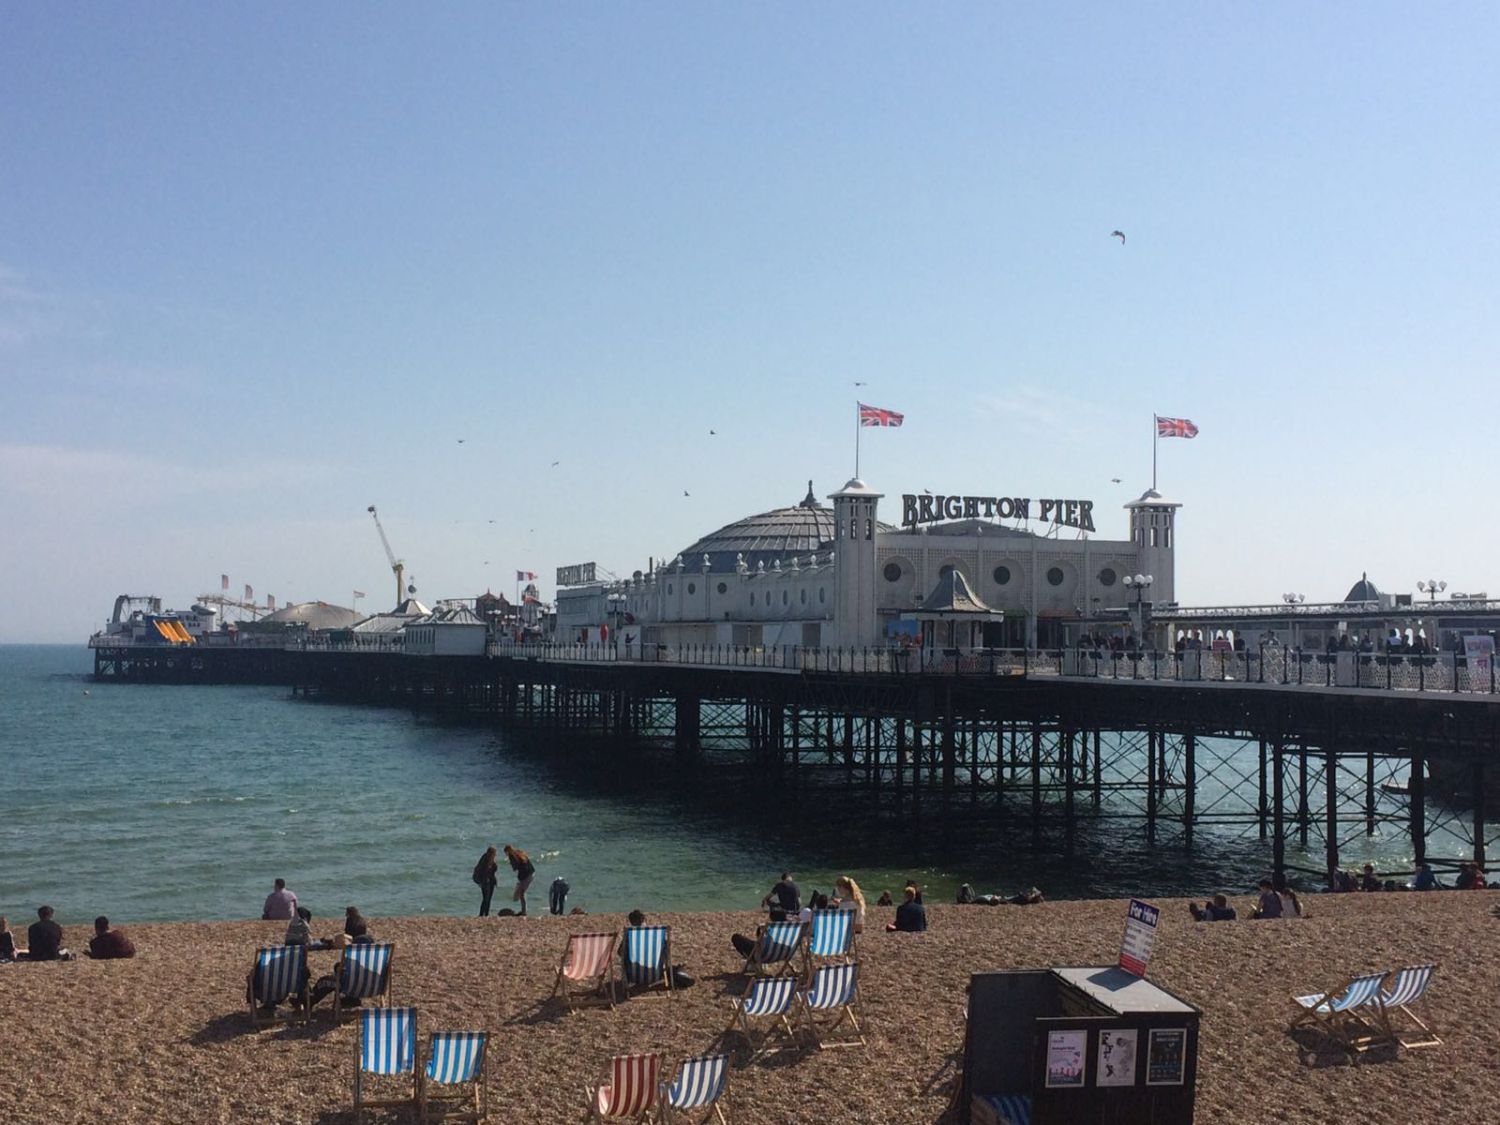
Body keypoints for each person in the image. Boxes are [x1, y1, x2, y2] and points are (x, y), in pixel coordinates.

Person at [504, 845, 536, 915]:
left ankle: (524, 911)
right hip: (531, 872)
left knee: (521, 893)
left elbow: (515, 868)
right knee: (522, 892)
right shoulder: (519, 852)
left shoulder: (512, 856)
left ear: (507, 852)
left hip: (525, 876)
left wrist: (510, 863)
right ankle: (524, 910)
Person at [473, 846, 499, 917]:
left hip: (491, 881)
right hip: (484, 881)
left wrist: (494, 863)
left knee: (489, 898)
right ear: (490, 853)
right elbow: (481, 871)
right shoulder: (484, 860)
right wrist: (480, 882)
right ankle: (481, 914)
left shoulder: (492, 860)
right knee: (485, 898)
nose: (495, 855)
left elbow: (494, 871)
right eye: (494, 853)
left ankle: (486, 914)